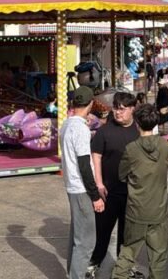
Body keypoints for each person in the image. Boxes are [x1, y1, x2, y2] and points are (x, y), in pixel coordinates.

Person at [112, 104, 168, 279]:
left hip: (137, 208)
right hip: (158, 208)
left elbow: (122, 174)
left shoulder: (132, 148)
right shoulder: (164, 145)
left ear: (137, 123)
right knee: (158, 256)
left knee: (128, 251)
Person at [88, 92, 141, 278]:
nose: (118, 112)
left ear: (132, 109)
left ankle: (125, 266)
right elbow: (96, 157)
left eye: (122, 109)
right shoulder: (104, 131)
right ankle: (94, 264)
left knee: (127, 235)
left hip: (131, 194)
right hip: (108, 192)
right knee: (102, 232)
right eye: (116, 108)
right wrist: (99, 183)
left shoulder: (139, 131)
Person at [60, 86, 105, 279]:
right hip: (81, 188)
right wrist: (95, 196)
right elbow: (85, 165)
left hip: (72, 185)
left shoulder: (66, 124)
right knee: (86, 242)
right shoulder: (81, 129)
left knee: (77, 238)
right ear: (90, 104)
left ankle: (72, 273)